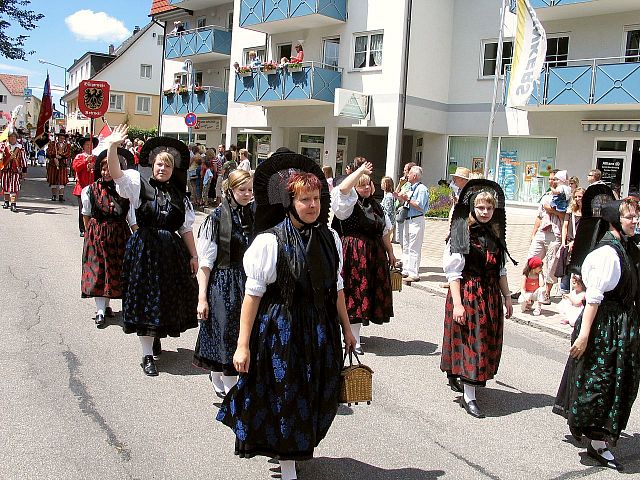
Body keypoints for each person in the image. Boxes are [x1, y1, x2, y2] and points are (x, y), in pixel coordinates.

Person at [216, 150, 356, 480]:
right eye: (304, 199)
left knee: (316, 393)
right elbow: (252, 297)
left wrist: (347, 329)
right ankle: (288, 463)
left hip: (321, 328)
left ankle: (293, 450)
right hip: (282, 330)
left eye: (316, 198)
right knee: (286, 395)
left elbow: (335, 287)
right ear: (290, 202)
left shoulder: (331, 237)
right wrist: (242, 345)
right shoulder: (269, 241)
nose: (312, 205)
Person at [553, 196, 640, 471]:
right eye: (630, 217)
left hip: (619, 324)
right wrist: (584, 334)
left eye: (636, 217)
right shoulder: (607, 254)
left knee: (617, 379)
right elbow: (594, 298)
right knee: (601, 381)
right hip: (605, 326)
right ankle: (597, 443)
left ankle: (598, 438)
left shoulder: (624, 247)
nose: (635, 221)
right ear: (616, 220)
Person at [105, 125, 198, 377]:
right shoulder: (138, 184)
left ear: (172, 169)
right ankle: (146, 355)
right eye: (158, 164)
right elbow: (116, 174)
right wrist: (113, 146)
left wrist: (194, 255)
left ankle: (155, 336)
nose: (162, 169)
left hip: (170, 254)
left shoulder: (180, 196)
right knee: (146, 299)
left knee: (164, 297)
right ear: (152, 165)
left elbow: (185, 228)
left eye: (167, 165)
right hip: (144, 250)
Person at [441, 179, 514, 419]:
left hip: (490, 295)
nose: (485, 212)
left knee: (483, 341)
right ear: (472, 208)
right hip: (469, 293)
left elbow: (500, 270)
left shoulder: (495, 234)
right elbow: (453, 273)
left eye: (489, 208)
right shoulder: (461, 234)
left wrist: (507, 297)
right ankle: (468, 396)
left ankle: (459, 375)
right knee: (473, 342)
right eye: (481, 208)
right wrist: (459, 304)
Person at [194, 169, 254, 398]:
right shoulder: (216, 218)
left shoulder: (253, 216)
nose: (247, 194)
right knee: (227, 334)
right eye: (242, 190)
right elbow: (206, 263)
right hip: (224, 282)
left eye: (250, 190)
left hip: (248, 282)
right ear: (230, 190)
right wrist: (202, 298)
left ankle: (221, 377)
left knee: (243, 333)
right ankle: (231, 392)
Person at [331, 162, 395, 354]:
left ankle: (353, 334)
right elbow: (342, 189)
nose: (366, 188)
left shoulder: (376, 205)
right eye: (361, 185)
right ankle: (354, 338)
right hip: (352, 254)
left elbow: (385, 231)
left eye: (368, 184)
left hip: (373, 255)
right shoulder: (348, 203)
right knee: (353, 294)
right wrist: (359, 172)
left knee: (365, 293)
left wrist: (390, 252)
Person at [80, 147, 135, 328]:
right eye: (103, 169)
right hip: (97, 234)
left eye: (110, 168)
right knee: (98, 271)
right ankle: (100, 311)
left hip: (119, 235)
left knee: (114, 271)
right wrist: (91, 235)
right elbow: (86, 214)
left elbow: (131, 218)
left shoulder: (125, 191)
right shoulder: (89, 190)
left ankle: (107, 304)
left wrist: (138, 238)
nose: (106, 172)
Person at [527, 169, 565, 304]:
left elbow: (565, 216)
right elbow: (539, 216)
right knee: (531, 260)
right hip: (542, 232)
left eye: (554, 179)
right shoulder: (545, 196)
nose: (552, 181)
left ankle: (546, 293)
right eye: (550, 179)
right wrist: (533, 233)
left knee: (551, 265)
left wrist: (552, 210)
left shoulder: (565, 196)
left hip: (555, 234)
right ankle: (528, 289)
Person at [394, 165, 429, 282]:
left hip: (416, 219)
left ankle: (414, 273)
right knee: (406, 245)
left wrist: (407, 199)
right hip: (408, 219)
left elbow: (420, 206)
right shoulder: (410, 187)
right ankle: (406, 270)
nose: (407, 175)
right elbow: (400, 196)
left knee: (414, 247)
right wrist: (400, 196)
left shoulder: (422, 189)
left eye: (409, 174)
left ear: (414, 175)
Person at [72, 135, 99, 237]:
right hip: (82, 187)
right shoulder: (79, 157)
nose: (89, 146)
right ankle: (83, 228)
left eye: (91, 145)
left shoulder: (96, 158)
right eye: (87, 145)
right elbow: (76, 168)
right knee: (83, 209)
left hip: (93, 186)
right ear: (83, 146)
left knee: (93, 208)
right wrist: (85, 161)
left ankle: (92, 228)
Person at [559, 187, 585, 294]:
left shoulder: (588, 212)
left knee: (578, 270)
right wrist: (563, 243)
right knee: (566, 268)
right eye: (576, 196)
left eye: (580, 196)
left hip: (581, 244)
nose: (578, 199)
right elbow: (565, 226)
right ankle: (565, 293)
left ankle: (578, 293)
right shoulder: (570, 211)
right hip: (569, 243)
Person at [0, 129, 27, 213]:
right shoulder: (3, 146)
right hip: (5, 169)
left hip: (15, 170)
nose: (12, 138)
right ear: (8, 138)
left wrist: (24, 170)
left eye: (14, 136)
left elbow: (23, 159)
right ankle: (6, 202)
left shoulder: (20, 147)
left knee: (14, 187)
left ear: (16, 138)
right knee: (5, 186)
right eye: (11, 136)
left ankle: (13, 204)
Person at [394, 162, 416, 246]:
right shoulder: (405, 184)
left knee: (403, 239)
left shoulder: (410, 185)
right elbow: (396, 193)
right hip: (399, 210)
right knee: (400, 238)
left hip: (403, 211)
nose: (404, 172)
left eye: (405, 170)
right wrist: (400, 184)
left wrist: (399, 196)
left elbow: (400, 197)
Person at [46, 129, 71, 202]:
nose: (61, 139)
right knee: (53, 180)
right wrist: (54, 157)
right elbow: (49, 152)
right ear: (58, 137)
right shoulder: (52, 144)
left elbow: (68, 153)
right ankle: (54, 196)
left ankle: (61, 196)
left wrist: (61, 156)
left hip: (62, 164)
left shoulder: (67, 145)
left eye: (63, 138)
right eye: (60, 138)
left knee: (62, 180)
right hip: (53, 164)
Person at [380, 176, 395, 240]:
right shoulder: (388, 195)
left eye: (382, 183)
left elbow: (388, 211)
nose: (381, 185)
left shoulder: (389, 196)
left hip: (388, 223)